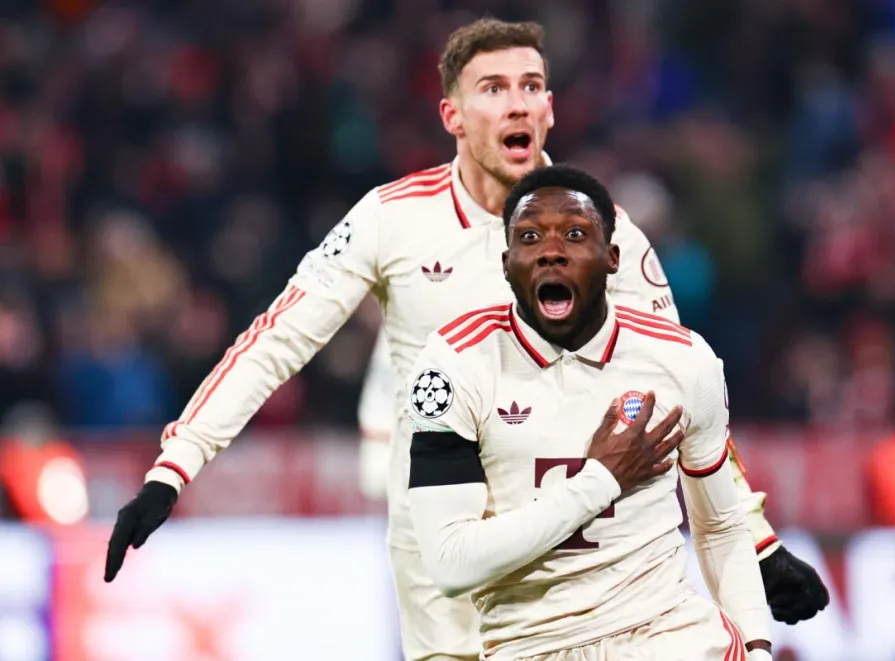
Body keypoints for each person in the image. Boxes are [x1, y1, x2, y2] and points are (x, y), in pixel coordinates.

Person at [104, 18, 824, 661]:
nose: (516, 102)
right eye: (493, 88)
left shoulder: (608, 236)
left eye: (531, 86)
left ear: (548, 109)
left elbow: (678, 387)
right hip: (447, 552)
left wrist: (754, 541)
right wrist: (176, 465)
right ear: (452, 114)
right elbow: (276, 340)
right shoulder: (391, 219)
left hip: (590, 573)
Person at [407, 164, 772, 660]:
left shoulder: (683, 359)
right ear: (507, 261)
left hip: (664, 633)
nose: (552, 251)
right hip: (532, 644)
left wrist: (757, 644)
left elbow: (720, 526)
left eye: (575, 235)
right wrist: (600, 480)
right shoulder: (453, 365)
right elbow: (450, 564)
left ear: (612, 258)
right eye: (530, 236)